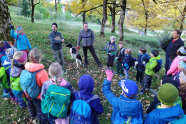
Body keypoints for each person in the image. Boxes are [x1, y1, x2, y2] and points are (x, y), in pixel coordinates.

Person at [24, 48, 49, 124]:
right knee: (39, 107)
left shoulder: (26, 67)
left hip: (27, 93)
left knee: (31, 105)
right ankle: (39, 118)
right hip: (38, 96)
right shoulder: (42, 72)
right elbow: (47, 87)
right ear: (40, 57)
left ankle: (33, 117)